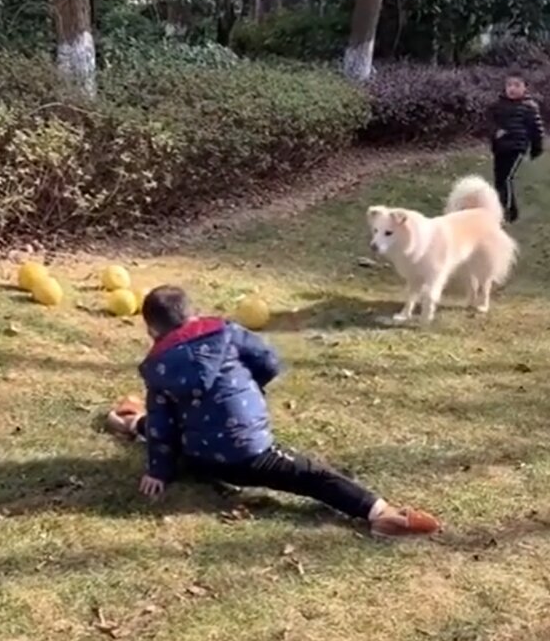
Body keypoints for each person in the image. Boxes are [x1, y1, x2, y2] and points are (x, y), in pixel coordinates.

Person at [105, 285, 441, 538]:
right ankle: (381, 514)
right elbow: (269, 361)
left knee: (172, 425)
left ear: (152, 331)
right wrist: (252, 387)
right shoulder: (228, 332)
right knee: (311, 475)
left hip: (199, 455)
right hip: (252, 454)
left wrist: (158, 472)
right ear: (193, 315)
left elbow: (163, 427)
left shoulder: (156, 367)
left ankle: (131, 422)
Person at [488, 72, 544, 223]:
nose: (512, 89)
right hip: (500, 148)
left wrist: (536, 149)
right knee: (499, 180)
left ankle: (506, 212)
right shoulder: (498, 105)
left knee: (506, 179)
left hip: (517, 148)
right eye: (509, 85)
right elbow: (489, 123)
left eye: (517, 85)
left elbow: (537, 130)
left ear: (525, 88)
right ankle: (509, 210)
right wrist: (495, 132)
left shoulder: (529, 107)